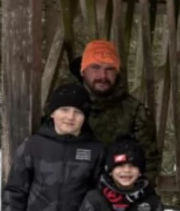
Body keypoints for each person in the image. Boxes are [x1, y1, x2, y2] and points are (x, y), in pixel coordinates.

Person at [54, 40, 162, 182]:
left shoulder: (135, 112)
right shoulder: (64, 105)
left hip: (115, 196)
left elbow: (150, 163)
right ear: (83, 70)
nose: (102, 76)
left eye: (109, 69)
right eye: (95, 67)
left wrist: (130, 195)